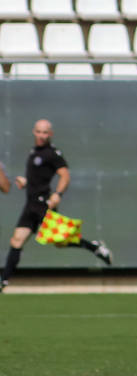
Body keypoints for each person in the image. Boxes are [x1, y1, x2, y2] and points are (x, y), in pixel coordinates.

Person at [1, 119, 112, 291]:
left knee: (60, 242)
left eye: (45, 132)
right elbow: (38, 178)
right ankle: (4, 281)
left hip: (43, 204)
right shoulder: (34, 151)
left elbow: (65, 176)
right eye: (39, 132)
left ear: (50, 134)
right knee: (17, 240)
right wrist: (26, 181)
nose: (41, 136)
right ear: (34, 132)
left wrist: (58, 194)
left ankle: (95, 247)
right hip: (30, 205)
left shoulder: (52, 153)